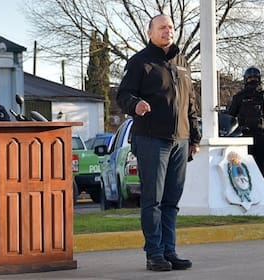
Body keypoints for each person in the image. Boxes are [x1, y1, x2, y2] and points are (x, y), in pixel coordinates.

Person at [117, 14, 201, 271]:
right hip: (151, 139)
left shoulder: (182, 62)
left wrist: (194, 137)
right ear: (150, 32)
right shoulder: (140, 62)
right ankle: (154, 254)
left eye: (171, 27)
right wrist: (136, 105)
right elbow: (123, 94)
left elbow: (191, 103)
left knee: (171, 200)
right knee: (152, 199)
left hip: (181, 140)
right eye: (162, 27)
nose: (168, 31)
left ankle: (169, 251)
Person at [228, 66, 264, 177]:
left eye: (254, 79)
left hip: (262, 140)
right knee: (244, 173)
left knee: (260, 173)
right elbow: (229, 119)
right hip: (244, 140)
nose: (252, 81)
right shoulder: (239, 97)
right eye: (250, 79)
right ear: (246, 80)